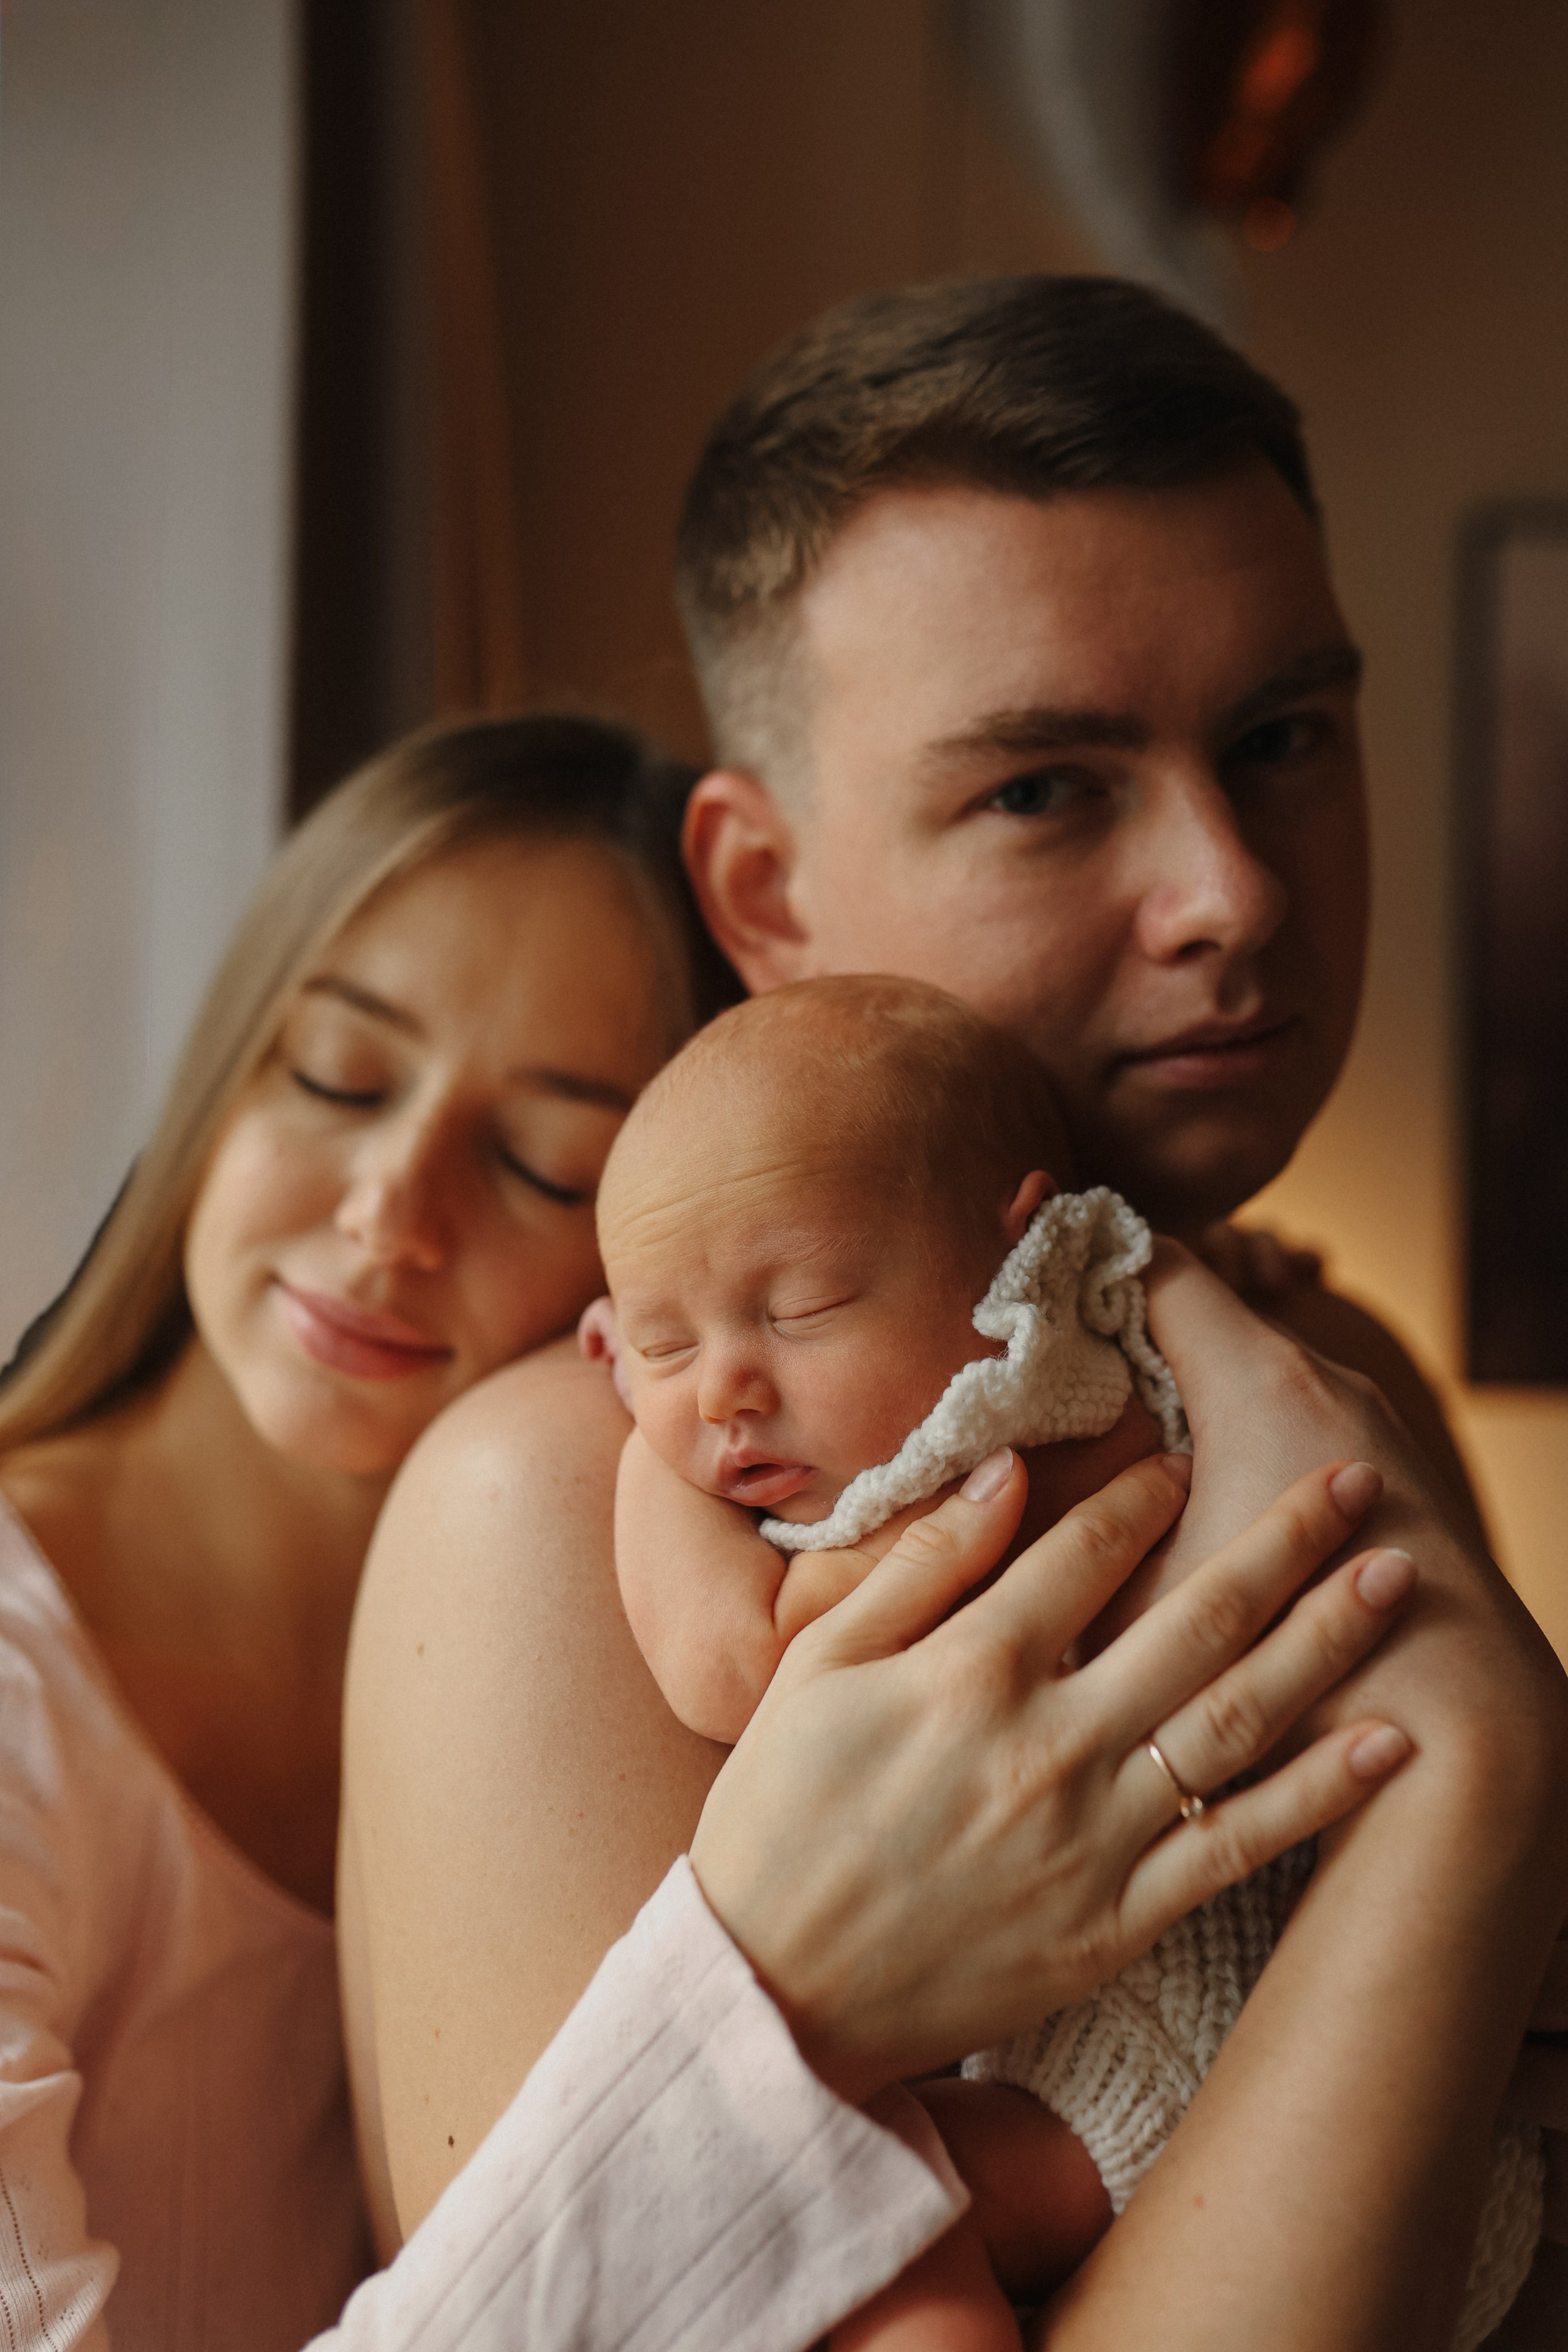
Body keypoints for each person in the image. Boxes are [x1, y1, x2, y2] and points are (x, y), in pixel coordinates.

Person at [341, 273, 1568, 2347]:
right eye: (1045, 789)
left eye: (1281, 740)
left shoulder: (1337, 1398)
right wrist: (1475, 1784)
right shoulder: (570, 1520)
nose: (1233, 891)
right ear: (765, 896)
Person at [587, 972, 1542, 2351]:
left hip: (1333, 1990)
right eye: (662, 1341)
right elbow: (727, 1669)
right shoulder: (702, 1478)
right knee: (844, 2211)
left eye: (800, 1308)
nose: (722, 1389)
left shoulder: (1101, 1363)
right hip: (1097, 2082)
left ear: (1013, 1259)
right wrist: (659, 1450)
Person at [0, 710, 734, 2347]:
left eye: (544, 1164)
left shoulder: (625, 1700)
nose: (390, 1211)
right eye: (338, 1074)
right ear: (224, 1072)